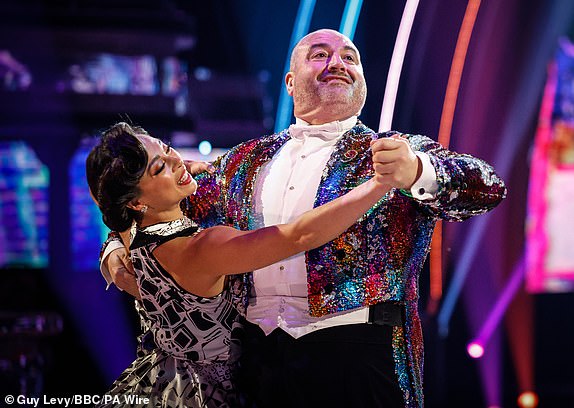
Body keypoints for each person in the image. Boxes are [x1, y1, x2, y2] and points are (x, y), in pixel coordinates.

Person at [102, 29, 506, 407]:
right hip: (258, 360)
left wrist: (418, 170)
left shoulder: (395, 152)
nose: (338, 62)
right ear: (291, 82)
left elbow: (488, 188)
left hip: (359, 353)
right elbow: (155, 208)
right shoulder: (244, 162)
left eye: (351, 57)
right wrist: (116, 246)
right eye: (320, 55)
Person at [87, 121, 393, 407]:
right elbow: (299, 236)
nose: (177, 161)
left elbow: (102, 194)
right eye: (160, 169)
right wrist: (380, 184)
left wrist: (111, 252)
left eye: (167, 149)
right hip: (199, 396)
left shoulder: (131, 233)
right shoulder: (202, 248)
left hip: (151, 384)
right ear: (137, 202)